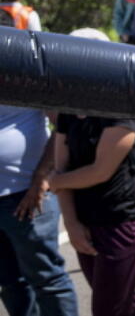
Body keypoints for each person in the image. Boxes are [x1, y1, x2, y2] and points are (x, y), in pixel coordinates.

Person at [50, 28, 135, 316]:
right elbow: (62, 165)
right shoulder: (70, 107)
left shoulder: (122, 104)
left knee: (108, 309)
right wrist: (71, 222)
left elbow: (100, 171)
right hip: (85, 222)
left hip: (121, 222)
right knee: (125, 304)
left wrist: (55, 182)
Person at [0, 99, 78, 315]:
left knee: (47, 279)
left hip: (26, 195)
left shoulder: (20, 74)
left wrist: (41, 177)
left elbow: (63, 125)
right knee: (10, 282)